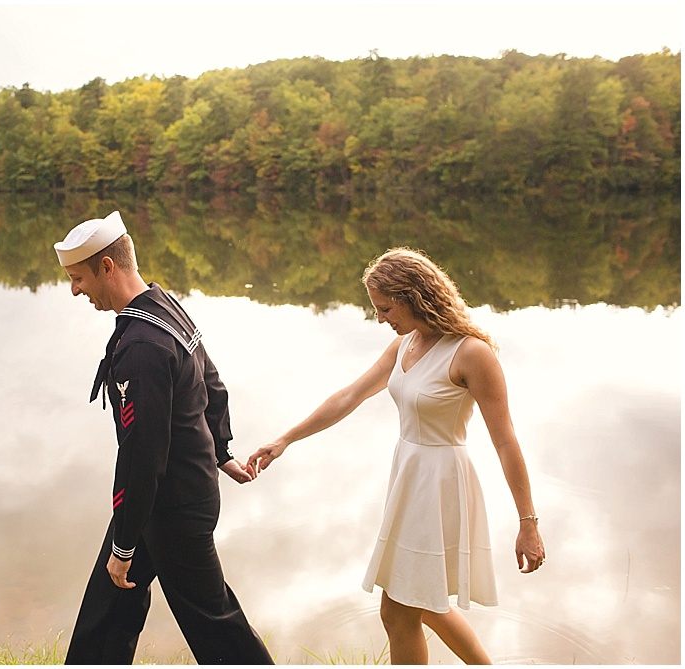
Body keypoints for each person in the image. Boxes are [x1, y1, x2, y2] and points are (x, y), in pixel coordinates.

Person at [247, 247, 545, 665]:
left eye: (385, 308)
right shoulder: (406, 344)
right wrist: (285, 440)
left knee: (398, 609)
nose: (381, 318)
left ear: (414, 297)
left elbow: (506, 442)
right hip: (408, 477)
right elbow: (350, 395)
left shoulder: (472, 353)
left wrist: (528, 523)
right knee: (423, 603)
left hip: (440, 485)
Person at [54, 211, 274, 665]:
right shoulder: (161, 303)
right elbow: (211, 383)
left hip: (171, 509)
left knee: (215, 624)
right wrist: (222, 451)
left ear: (107, 267)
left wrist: (124, 546)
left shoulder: (142, 347)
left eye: (78, 278)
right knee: (109, 609)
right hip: (163, 500)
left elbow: (143, 457)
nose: (75, 290)